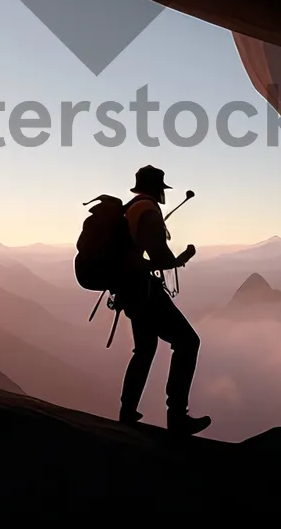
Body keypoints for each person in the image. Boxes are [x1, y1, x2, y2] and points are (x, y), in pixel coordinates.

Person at [114, 165, 210, 435]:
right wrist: (184, 257)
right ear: (158, 189)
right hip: (144, 292)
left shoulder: (130, 208)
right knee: (188, 342)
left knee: (144, 349)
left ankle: (127, 411)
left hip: (128, 292)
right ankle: (177, 417)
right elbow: (161, 258)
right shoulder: (149, 211)